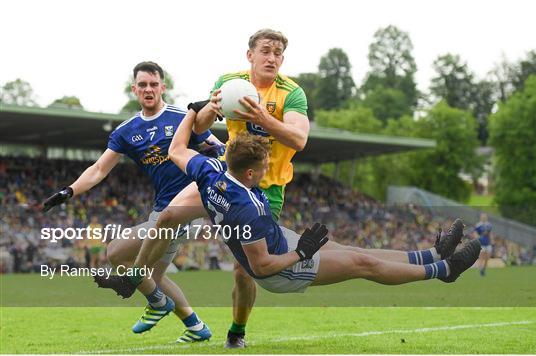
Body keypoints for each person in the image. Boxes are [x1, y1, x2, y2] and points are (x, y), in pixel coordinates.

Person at [112, 28, 310, 348]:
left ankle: (236, 332)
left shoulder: (292, 93)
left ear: (282, 59)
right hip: (223, 173)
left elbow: (299, 140)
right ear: (251, 55)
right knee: (167, 216)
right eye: (265, 51)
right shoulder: (230, 82)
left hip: (262, 190)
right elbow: (201, 127)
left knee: (243, 271)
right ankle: (138, 275)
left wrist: (262, 116)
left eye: (277, 53)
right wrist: (209, 107)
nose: (271, 57)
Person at [169, 113, 481, 297]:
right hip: (279, 268)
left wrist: (192, 113)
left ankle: (432, 253)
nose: (267, 170)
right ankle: (444, 269)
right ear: (249, 172)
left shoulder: (210, 172)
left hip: (275, 239)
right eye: (264, 166)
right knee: (362, 265)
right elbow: (260, 266)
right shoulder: (246, 208)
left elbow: (176, 149)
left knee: (356, 253)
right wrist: (300, 254)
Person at [42, 61, 217, 343]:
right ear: (134, 89)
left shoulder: (182, 117)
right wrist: (69, 191)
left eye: (153, 84)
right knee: (155, 278)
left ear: (163, 87)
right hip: (161, 209)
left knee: (115, 252)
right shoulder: (126, 130)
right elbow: (99, 169)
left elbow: (215, 146)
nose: (148, 89)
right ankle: (196, 328)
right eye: (143, 85)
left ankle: (158, 304)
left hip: (182, 209)